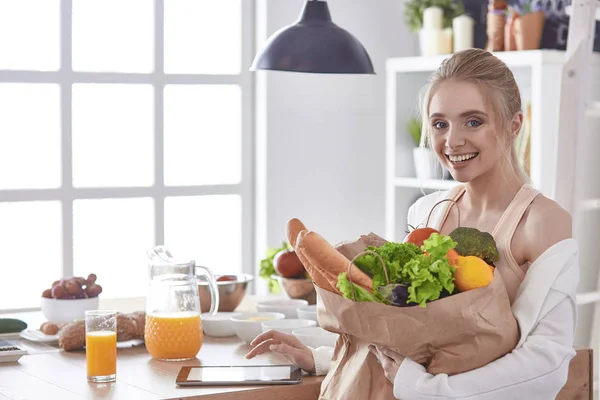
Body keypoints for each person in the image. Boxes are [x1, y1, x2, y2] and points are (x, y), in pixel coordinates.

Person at [246, 48, 580, 399]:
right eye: (440, 124)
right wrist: (321, 357)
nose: (452, 140)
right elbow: (408, 339)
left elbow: (547, 364)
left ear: (514, 124)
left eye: (474, 121)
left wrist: (427, 390)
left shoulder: (543, 222)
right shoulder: (427, 213)